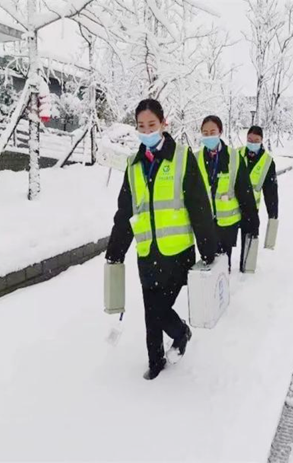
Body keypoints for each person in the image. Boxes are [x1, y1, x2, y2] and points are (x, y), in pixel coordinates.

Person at [105, 99, 217, 381]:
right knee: (150, 310)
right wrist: (116, 251)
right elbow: (125, 211)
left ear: (164, 124)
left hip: (177, 253)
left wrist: (208, 249)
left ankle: (180, 333)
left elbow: (198, 204)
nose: (146, 131)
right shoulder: (133, 164)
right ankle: (155, 362)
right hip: (147, 252)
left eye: (151, 125)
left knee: (159, 309)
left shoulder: (181, 157)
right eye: (141, 126)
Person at [196, 115, 259, 272]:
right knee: (207, 263)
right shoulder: (195, 158)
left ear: (220, 132)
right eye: (205, 133)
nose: (209, 136)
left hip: (227, 223)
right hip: (205, 222)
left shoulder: (234, 157)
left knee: (224, 262)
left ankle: (222, 291)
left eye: (212, 132)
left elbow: (245, 191)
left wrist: (252, 220)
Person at [239, 126, 279, 271]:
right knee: (224, 248)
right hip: (231, 209)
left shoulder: (267, 162)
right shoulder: (236, 154)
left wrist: (273, 215)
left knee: (250, 243)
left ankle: (247, 274)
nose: (252, 143)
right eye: (250, 139)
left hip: (250, 210)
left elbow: (271, 193)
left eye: (256, 140)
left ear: (262, 141)